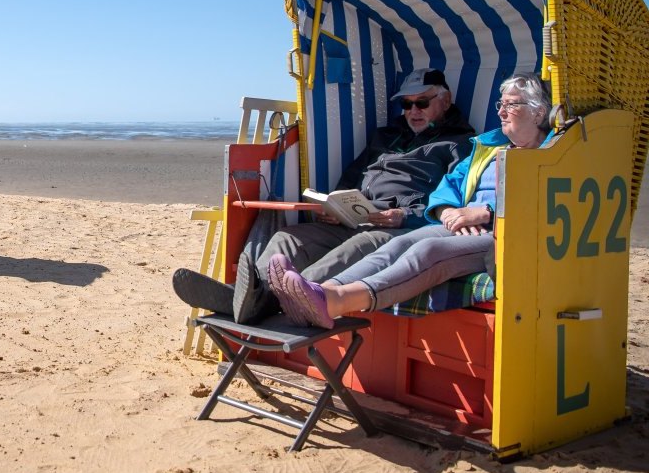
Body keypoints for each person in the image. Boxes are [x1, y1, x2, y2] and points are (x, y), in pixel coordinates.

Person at [174, 68, 476, 323]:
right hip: (354, 217)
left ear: (445, 101)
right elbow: (351, 176)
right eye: (406, 105)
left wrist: (404, 216)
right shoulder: (387, 136)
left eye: (421, 103)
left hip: (395, 226)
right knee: (287, 238)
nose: (412, 111)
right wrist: (334, 204)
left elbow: (453, 201)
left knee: (356, 247)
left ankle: (280, 299)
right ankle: (251, 298)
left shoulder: (459, 144)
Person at [270, 73, 552, 329]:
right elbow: (449, 186)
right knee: (399, 244)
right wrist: (446, 210)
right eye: (500, 104)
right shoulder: (489, 149)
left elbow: (546, 201)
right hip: (460, 225)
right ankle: (322, 292)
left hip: (504, 235)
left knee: (428, 249)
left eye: (511, 105)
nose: (501, 112)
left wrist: (486, 213)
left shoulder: (554, 155)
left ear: (538, 112)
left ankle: (337, 301)